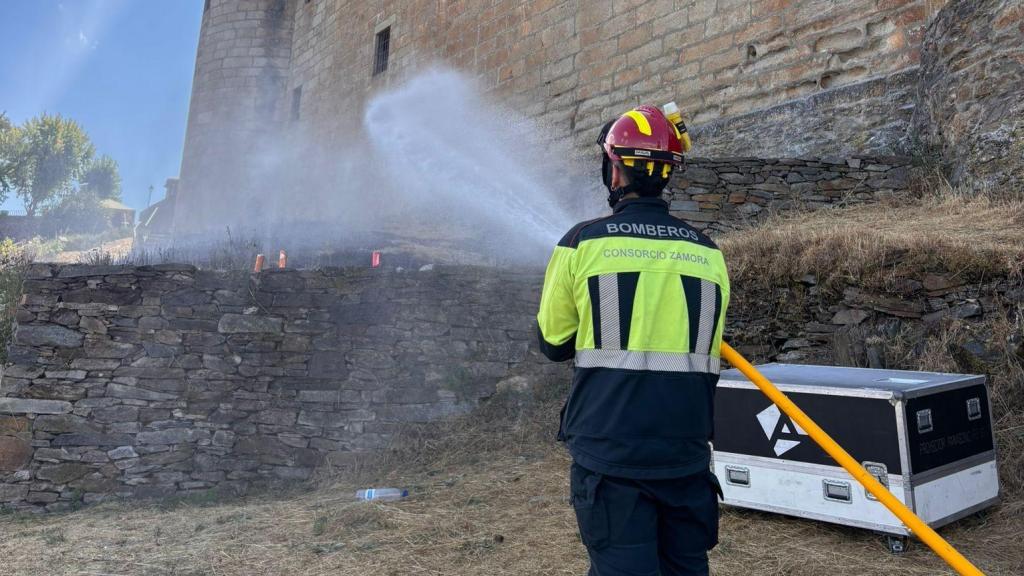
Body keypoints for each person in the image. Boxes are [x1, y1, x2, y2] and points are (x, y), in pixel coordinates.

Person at [536, 105, 731, 576]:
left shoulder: (581, 243)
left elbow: (553, 342)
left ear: (615, 170)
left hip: (610, 454)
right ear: (667, 174)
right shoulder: (709, 253)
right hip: (685, 452)